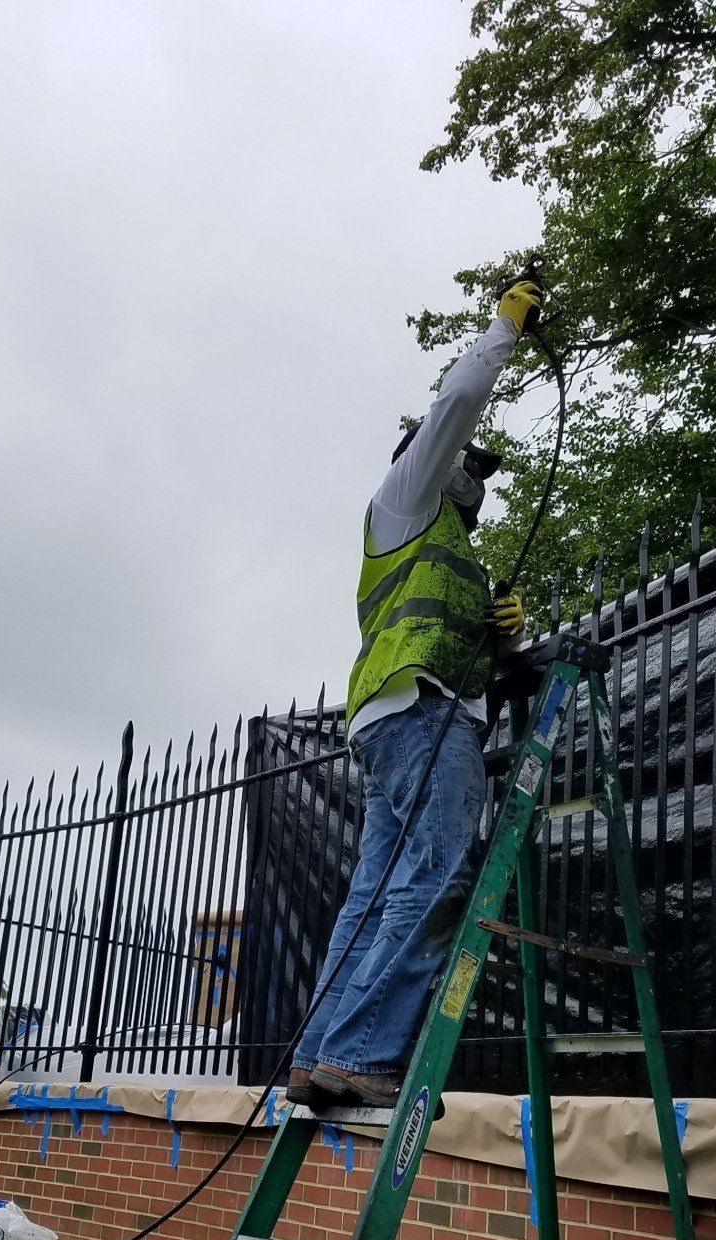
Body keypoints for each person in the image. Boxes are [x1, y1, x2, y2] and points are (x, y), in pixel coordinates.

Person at [286, 277, 546, 1108]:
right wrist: (506, 324)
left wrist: (506, 635)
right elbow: (460, 399)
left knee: (375, 895)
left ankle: (321, 1052)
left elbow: (470, 652)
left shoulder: (450, 550)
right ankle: (361, 1056)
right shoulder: (401, 501)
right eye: (463, 467)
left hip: (405, 719)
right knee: (436, 879)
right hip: (422, 717)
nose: (473, 478)